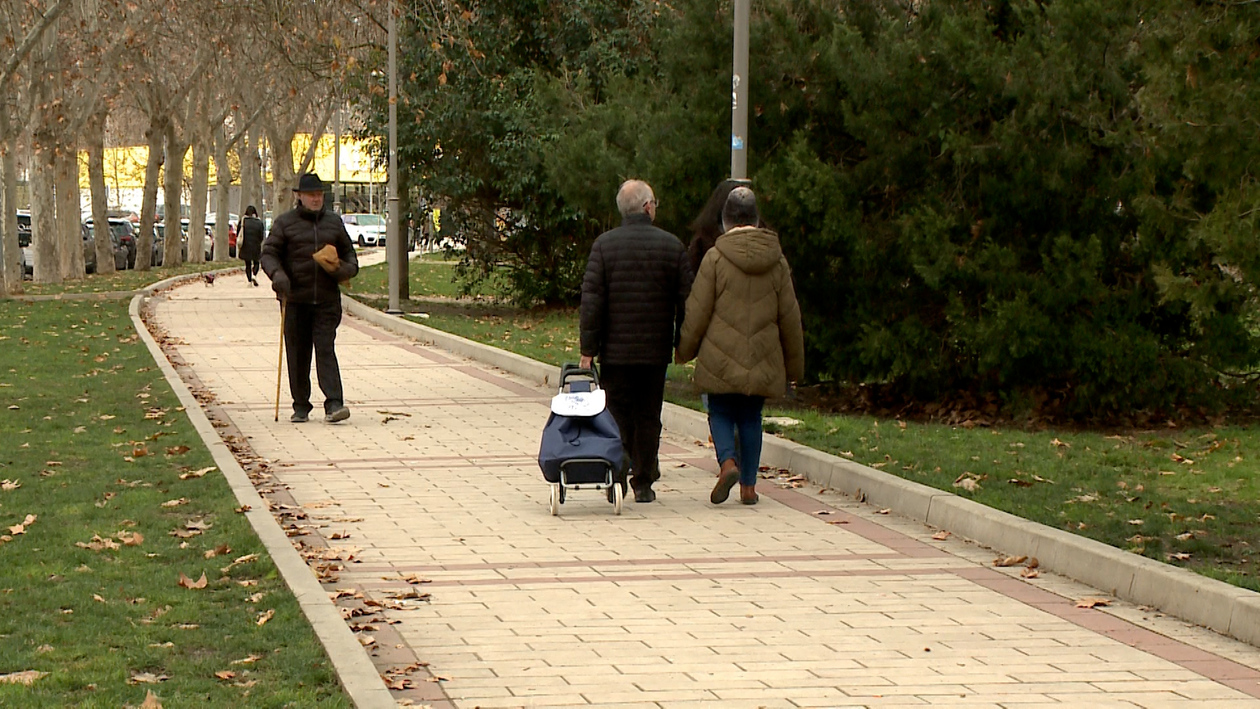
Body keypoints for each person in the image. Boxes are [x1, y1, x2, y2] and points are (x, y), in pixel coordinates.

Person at [676, 186, 805, 505]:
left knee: (719, 411)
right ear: (758, 219)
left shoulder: (716, 258)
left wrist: (684, 350)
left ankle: (727, 464)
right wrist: (794, 367)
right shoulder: (777, 262)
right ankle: (749, 487)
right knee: (750, 417)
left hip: (719, 355)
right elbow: (790, 316)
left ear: (725, 221)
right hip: (763, 355)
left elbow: (698, 310)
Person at [580, 179, 693, 503]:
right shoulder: (672, 246)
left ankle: (617, 466)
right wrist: (683, 341)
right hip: (654, 350)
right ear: (647, 207)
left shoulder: (604, 246)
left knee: (616, 411)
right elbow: (687, 300)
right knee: (648, 415)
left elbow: (592, 300)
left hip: (615, 351)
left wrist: (589, 348)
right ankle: (644, 480)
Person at [260, 173, 360, 424]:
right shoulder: (285, 223)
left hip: (326, 300)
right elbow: (269, 254)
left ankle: (334, 403)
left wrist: (342, 271)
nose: (316, 199)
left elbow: (351, 258)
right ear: (299, 196)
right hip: (295, 300)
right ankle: (301, 404)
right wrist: (278, 275)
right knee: (298, 353)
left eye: (319, 194)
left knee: (325, 349)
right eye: (311, 194)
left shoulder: (334, 223)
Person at [237, 205, 265, 286]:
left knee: (247, 264)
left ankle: (249, 281)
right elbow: (261, 235)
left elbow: (239, 232)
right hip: (256, 245)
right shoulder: (259, 222)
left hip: (245, 245)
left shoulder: (243, 221)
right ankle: (254, 275)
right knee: (256, 262)